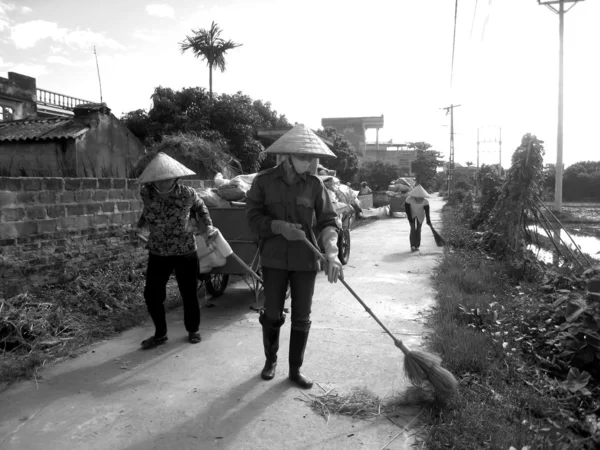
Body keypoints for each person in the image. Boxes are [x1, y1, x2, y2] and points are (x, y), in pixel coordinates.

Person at [246, 125, 343, 389]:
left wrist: (331, 253)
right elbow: (252, 218)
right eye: (302, 156)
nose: (308, 162)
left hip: (305, 260)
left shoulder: (314, 185)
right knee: (273, 313)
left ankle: (295, 369)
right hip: (274, 258)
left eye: (310, 157)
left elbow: (328, 222)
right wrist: (278, 227)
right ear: (288, 155)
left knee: (302, 316)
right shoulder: (263, 181)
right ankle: (270, 361)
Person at [136, 152, 217, 349]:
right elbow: (148, 212)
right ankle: (160, 333)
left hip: (185, 251)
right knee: (152, 295)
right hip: (158, 252)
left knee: (188, 293)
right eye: (159, 179)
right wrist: (140, 227)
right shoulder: (147, 193)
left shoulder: (187, 193)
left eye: (168, 178)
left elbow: (202, 208)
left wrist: (208, 227)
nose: (163, 183)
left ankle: (193, 329)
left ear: (176, 177)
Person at [404, 184, 431, 252]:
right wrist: (410, 218)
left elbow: (427, 211)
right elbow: (407, 209)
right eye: (418, 196)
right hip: (411, 215)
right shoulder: (409, 199)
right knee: (413, 229)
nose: (419, 197)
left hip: (420, 215)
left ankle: (417, 245)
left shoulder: (425, 201)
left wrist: (428, 220)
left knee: (418, 230)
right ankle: (412, 245)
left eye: (421, 196)